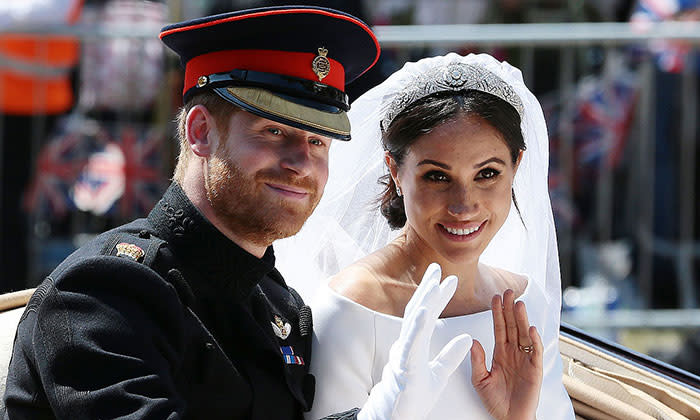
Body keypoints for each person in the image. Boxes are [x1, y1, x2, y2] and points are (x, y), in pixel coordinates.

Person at [2, 6, 485, 420]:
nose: (301, 163)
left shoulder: (278, 304)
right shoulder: (104, 295)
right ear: (200, 131)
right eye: (274, 132)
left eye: (318, 141)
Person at [276, 53, 576, 419]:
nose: (464, 205)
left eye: (487, 174)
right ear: (396, 171)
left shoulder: (524, 304)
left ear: (517, 166)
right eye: (437, 176)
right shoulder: (351, 310)